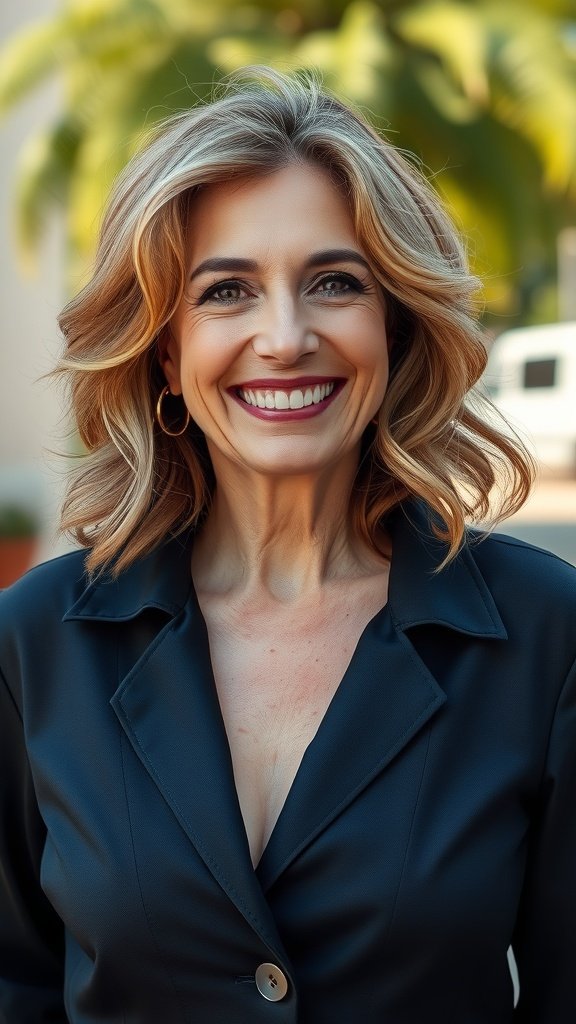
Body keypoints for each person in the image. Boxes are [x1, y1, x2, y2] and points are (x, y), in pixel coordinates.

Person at [0, 66, 574, 1024]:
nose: (285, 334)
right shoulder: (34, 644)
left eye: (334, 283)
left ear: (393, 325)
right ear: (165, 353)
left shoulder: (544, 636)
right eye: (226, 291)